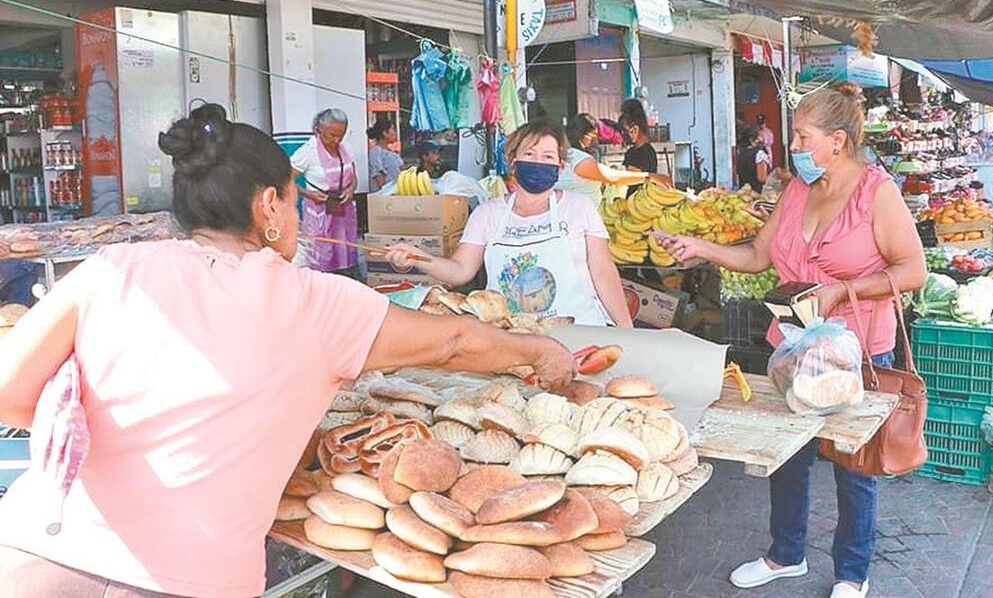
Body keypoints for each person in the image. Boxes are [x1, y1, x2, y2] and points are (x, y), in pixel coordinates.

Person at [0, 103, 574, 597]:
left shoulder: (109, 269)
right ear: (269, 205)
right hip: (185, 580)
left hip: (32, 555)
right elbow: (453, 343)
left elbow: (7, 393)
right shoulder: (313, 301)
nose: (299, 217)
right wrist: (538, 350)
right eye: (295, 201)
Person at [657, 82, 926, 598]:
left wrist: (841, 292)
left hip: (859, 349)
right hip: (792, 347)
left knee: (854, 463)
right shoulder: (799, 189)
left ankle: (853, 571)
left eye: (802, 136)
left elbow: (913, 270)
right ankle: (786, 555)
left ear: (838, 141)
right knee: (786, 455)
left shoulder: (877, 192)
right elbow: (759, 257)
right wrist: (701, 247)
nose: (793, 147)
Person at [385, 120, 633, 328]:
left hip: (580, 331)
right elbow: (460, 271)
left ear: (560, 166)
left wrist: (627, 331)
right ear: (513, 161)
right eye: (529, 154)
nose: (538, 162)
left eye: (548, 156)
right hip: (511, 337)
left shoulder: (579, 207)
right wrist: (418, 258)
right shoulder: (487, 214)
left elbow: (602, 271)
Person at [290, 108, 358, 276]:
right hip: (319, 210)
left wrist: (351, 189)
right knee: (321, 254)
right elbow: (284, 180)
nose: (336, 140)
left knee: (345, 251)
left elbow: (353, 175)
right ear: (319, 129)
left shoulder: (346, 147)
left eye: (340, 135)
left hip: (343, 209)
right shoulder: (307, 152)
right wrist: (307, 193)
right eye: (331, 135)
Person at [556, 112, 649, 206]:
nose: (596, 139)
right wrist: (649, 177)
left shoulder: (563, 155)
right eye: (594, 135)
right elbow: (614, 177)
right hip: (579, 215)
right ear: (584, 135)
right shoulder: (578, 159)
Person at [618, 99, 658, 195]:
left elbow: (632, 177)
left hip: (643, 203)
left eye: (624, 130)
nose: (622, 135)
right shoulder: (631, 152)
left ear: (635, 129)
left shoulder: (645, 153)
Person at [366, 118, 403, 192]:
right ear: (385, 133)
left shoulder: (393, 153)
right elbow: (378, 177)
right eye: (393, 129)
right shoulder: (376, 152)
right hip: (385, 198)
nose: (395, 133)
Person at [736, 124, 772, 192]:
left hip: (743, 190)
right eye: (760, 136)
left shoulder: (740, 152)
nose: (762, 139)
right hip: (757, 192)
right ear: (752, 139)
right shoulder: (759, 154)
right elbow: (762, 178)